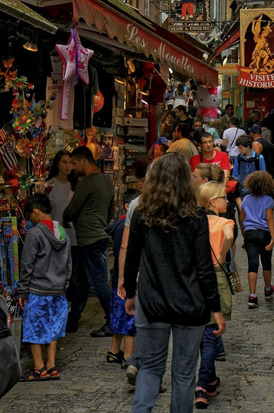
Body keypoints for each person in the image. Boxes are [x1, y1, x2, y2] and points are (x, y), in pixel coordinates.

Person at [122, 152, 225, 413]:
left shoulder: (142, 215)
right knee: (183, 374)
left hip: (153, 301)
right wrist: (215, 307)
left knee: (151, 367)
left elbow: (131, 258)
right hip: (190, 304)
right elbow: (204, 268)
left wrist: (130, 293)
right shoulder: (195, 218)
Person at [62, 145, 116, 336]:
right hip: (99, 236)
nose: (73, 168)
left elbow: (71, 210)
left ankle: (113, 321)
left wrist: (64, 217)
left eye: (75, 163)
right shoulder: (106, 181)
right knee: (83, 280)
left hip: (89, 238)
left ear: (84, 160)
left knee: (97, 281)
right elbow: (112, 211)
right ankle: (74, 317)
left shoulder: (86, 183)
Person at [18, 193, 72, 380]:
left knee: (34, 327)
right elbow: (68, 264)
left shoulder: (34, 234)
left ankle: (39, 367)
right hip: (58, 290)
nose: (29, 220)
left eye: (30, 216)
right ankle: (51, 364)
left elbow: (27, 265)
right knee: (53, 327)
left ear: (35, 212)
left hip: (38, 289)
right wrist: (63, 285)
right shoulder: (63, 233)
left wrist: (22, 291)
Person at [194, 181, 235, 409]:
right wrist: (222, 253)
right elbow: (229, 235)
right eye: (223, 198)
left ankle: (210, 380)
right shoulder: (223, 222)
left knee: (204, 334)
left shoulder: (194, 222)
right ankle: (201, 385)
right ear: (212, 202)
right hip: (215, 276)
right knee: (211, 334)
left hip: (195, 280)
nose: (226, 201)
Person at [106, 189, 139, 369]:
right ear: (129, 207)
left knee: (119, 314)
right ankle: (128, 355)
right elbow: (124, 250)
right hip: (125, 277)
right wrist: (124, 278)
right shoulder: (124, 228)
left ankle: (114, 350)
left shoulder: (119, 227)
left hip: (120, 276)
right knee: (128, 316)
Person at [241, 170, 274, 307]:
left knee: (252, 264)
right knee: (266, 262)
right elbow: (269, 219)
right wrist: (273, 238)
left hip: (250, 233)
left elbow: (242, 217)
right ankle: (268, 289)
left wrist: (244, 231)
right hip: (264, 233)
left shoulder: (246, 199)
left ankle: (252, 295)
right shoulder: (268, 200)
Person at [46, 149, 77, 246]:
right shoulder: (49, 185)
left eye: (70, 163)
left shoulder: (76, 185)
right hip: (55, 237)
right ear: (57, 164)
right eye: (64, 162)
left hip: (74, 237)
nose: (68, 166)